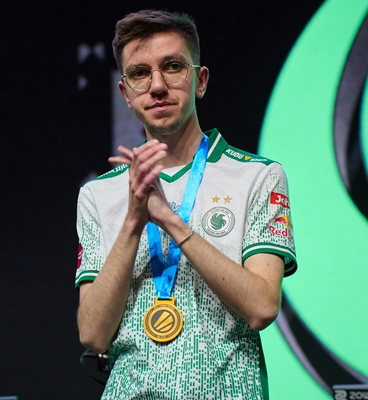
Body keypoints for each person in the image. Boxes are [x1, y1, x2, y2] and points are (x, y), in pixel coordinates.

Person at [75, 10, 297, 399]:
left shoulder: (258, 176)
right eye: (140, 73)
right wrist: (134, 221)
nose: (158, 85)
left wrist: (170, 221)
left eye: (173, 67)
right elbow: (93, 334)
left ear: (201, 80)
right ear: (125, 93)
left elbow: (262, 307)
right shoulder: (99, 194)